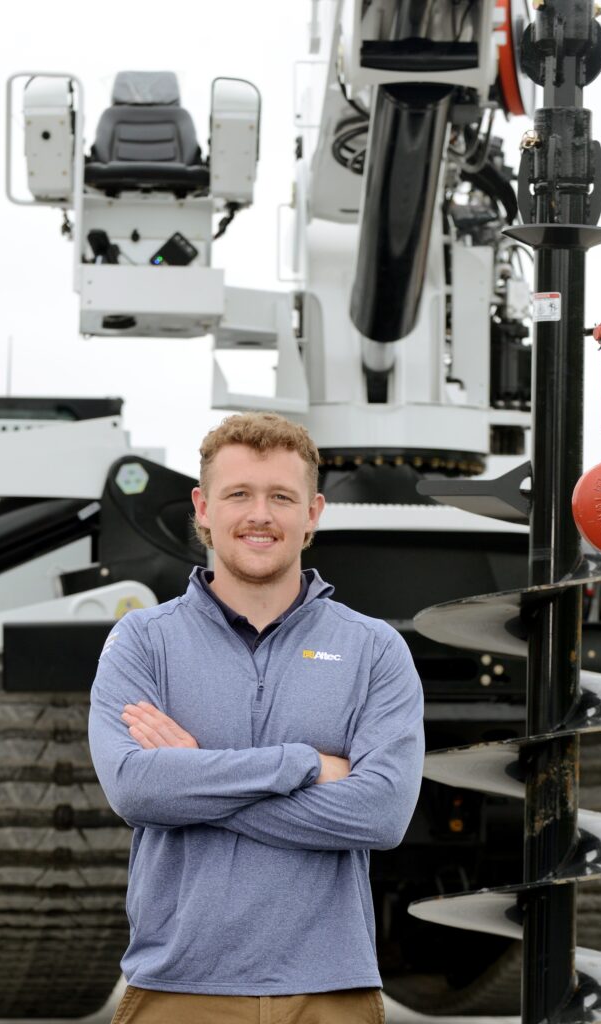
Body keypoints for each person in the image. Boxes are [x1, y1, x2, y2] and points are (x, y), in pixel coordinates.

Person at [88, 412, 425, 1024]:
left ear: (313, 513)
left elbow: (381, 813)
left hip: (332, 993)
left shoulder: (375, 649)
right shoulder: (142, 642)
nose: (259, 515)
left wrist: (192, 776)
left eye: (281, 497)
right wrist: (300, 764)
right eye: (238, 494)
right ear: (203, 508)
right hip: (177, 990)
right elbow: (137, 790)